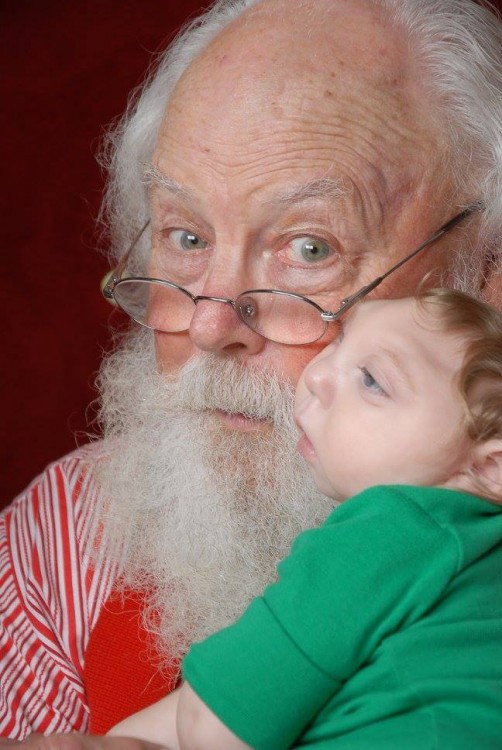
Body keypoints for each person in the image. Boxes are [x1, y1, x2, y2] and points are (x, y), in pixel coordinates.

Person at [1, 0, 502, 742]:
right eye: (186, 235)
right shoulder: (60, 538)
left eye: (309, 249)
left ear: (486, 276)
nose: (208, 325)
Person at [107, 288, 502, 749]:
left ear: (488, 467)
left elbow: (213, 729)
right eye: (338, 343)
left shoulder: (391, 529)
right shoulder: (469, 556)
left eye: (373, 380)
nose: (317, 378)